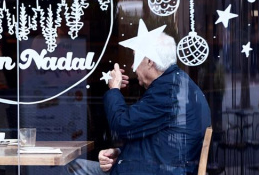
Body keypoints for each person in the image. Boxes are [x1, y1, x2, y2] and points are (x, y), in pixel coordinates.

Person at [65, 32, 211, 175]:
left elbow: (122, 124)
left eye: (136, 59)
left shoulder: (167, 91)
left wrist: (114, 88)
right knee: (74, 166)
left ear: (149, 61)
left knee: (69, 167)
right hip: (157, 168)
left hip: (152, 171)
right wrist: (120, 154)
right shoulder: (177, 84)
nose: (133, 67)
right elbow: (159, 139)